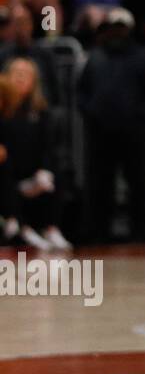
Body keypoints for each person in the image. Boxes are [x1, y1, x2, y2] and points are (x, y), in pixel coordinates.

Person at [78, 8, 145, 243]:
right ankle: (98, 231)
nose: (118, 32)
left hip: (133, 132)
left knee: (137, 182)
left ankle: (140, 231)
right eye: (115, 27)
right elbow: (82, 91)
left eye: (123, 28)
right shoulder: (96, 56)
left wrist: (139, 116)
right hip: (100, 132)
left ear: (130, 30)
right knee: (100, 183)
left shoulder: (143, 56)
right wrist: (91, 113)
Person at [0, 57, 70, 250]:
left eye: (26, 74)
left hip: (32, 172)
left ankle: (51, 228)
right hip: (9, 175)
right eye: (16, 73)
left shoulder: (41, 112)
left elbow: (48, 147)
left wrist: (44, 171)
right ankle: (20, 225)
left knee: (56, 172)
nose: (21, 78)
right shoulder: (3, 110)